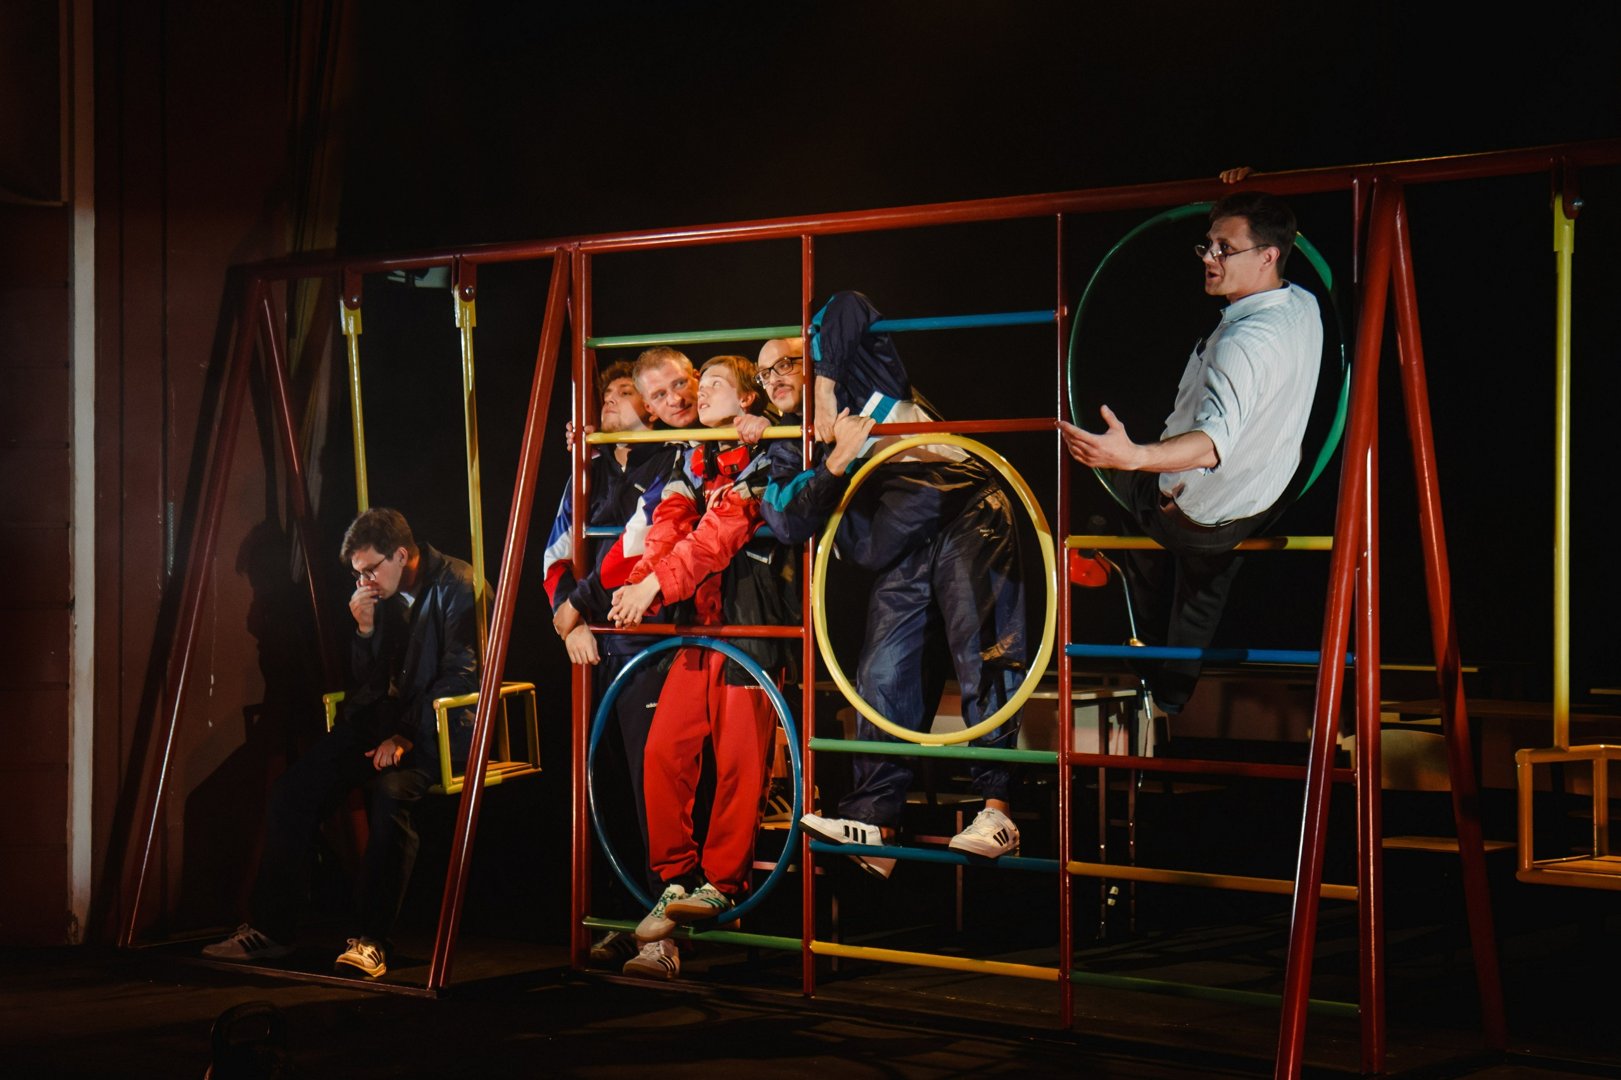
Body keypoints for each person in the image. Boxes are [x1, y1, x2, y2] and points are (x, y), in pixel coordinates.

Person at [744, 293, 1029, 881]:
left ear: (814, 354)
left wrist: (826, 389)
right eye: (764, 373)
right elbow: (787, 519)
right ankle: (876, 821)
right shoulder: (788, 443)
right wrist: (835, 462)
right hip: (899, 551)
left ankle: (997, 810)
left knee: (984, 653)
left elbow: (848, 305)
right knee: (880, 674)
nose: (776, 377)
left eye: (787, 361)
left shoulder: (860, 370)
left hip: (962, 509)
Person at [1059, 190, 1322, 717]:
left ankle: (1142, 628)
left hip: (1193, 512)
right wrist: (1247, 189)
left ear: (1268, 255)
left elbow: (1211, 445)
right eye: (1208, 245)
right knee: (1202, 590)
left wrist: (1133, 456)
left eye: (1225, 248)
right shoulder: (1302, 303)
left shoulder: (1241, 343)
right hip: (1257, 502)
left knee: (1125, 501)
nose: (1209, 257)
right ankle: (1172, 698)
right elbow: (1277, 226)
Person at [204, 508, 480, 979]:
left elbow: (461, 675)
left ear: (401, 555)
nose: (364, 582)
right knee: (293, 790)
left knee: (392, 793)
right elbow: (369, 680)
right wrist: (366, 631)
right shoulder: (381, 595)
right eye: (357, 574)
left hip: (439, 730)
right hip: (381, 724)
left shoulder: (457, 584)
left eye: (370, 570)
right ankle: (272, 929)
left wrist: (407, 735)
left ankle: (371, 940)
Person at [607, 354, 798, 979]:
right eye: (701, 383)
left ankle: (721, 883)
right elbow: (669, 528)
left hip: (751, 632)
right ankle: (675, 880)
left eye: (711, 384)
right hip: (699, 632)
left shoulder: (769, 449)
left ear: (747, 399)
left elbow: (721, 532)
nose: (698, 394)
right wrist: (642, 584)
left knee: (742, 765)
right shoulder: (692, 458)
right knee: (664, 751)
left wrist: (653, 586)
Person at [548, 347, 703, 973]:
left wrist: (577, 608)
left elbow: (636, 547)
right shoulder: (586, 469)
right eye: (606, 395)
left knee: (654, 786)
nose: (608, 403)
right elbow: (557, 548)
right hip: (596, 641)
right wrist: (568, 619)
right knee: (606, 784)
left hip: (649, 640)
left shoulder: (670, 458)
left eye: (621, 394)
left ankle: (667, 935)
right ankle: (626, 918)